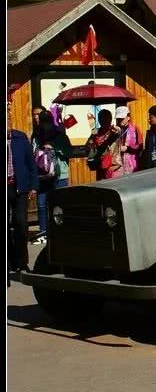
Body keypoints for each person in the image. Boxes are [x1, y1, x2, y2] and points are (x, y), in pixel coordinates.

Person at [31, 110, 72, 239]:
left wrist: (54, 148)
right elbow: (33, 154)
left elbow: (68, 152)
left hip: (58, 175)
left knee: (58, 204)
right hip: (45, 175)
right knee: (44, 204)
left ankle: (59, 231)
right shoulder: (37, 136)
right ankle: (44, 231)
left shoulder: (59, 136)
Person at [8, 103, 38, 273]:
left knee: (20, 224)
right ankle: (9, 262)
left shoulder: (20, 138)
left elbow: (31, 164)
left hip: (19, 187)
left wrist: (33, 185)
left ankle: (22, 262)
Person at [86, 109, 121, 180]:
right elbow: (88, 144)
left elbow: (117, 132)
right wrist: (92, 144)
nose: (102, 120)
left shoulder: (114, 129)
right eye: (100, 118)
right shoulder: (95, 131)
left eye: (105, 118)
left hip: (113, 165)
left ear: (110, 119)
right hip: (100, 164)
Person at [112, 106, 142, 176]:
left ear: (128, 117)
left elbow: (140, 146)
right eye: (118, 119)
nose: (120, 120)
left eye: (122, 118)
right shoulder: (115, 130)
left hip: (132, 164)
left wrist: (127, 148)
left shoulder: (135, 129)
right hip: (118, 165)